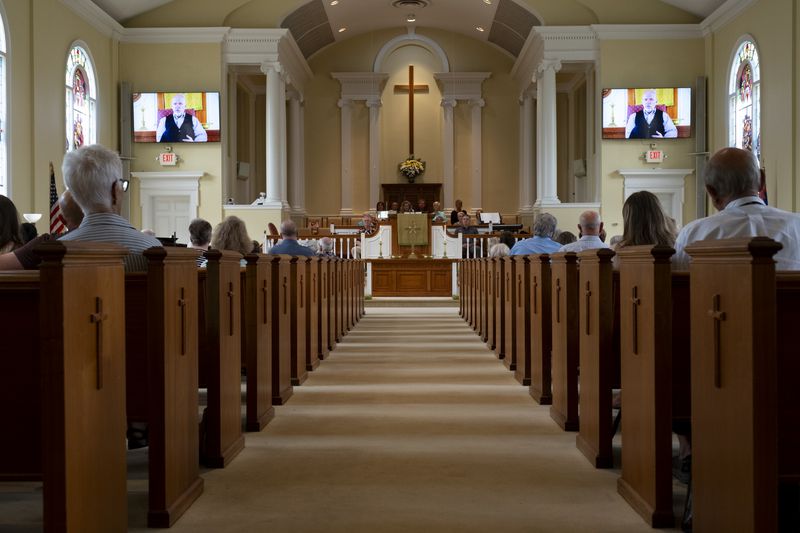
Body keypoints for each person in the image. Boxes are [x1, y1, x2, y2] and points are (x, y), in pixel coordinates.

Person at [673, 147, 800, 270]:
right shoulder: (797, 225)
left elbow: (679, 287)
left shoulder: (692, 234)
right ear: (762, 181)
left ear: (711, 191)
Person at [59, 144, 162, 272]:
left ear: (76, 196)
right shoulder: (151, 248)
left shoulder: (58, 253)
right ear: (115, 190)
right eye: (121, 185)